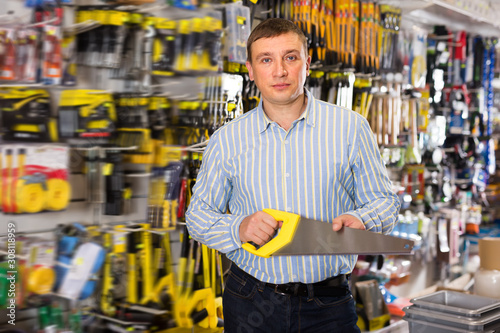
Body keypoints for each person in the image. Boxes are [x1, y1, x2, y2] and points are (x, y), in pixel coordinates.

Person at [186, 18, 400, 332]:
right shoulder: (227, 139)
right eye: (266, 59)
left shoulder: (351, 128)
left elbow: (385, 202)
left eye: (290, 57)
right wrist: (240, 226)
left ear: (307, 63)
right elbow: (198, 217)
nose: (279, 71)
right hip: (250, 301)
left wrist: (363, 220)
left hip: (328, 303)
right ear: (250, 70)